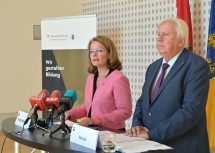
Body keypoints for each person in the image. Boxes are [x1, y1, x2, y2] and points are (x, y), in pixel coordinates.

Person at [125, 18, 210, 153]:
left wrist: (152, 134)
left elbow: (190, 111)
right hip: (151, 145)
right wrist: (137, 125)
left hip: (182, 147)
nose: (159, 39)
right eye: (158, 34)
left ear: (181, 41)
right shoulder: (152, 67)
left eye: (165, 34)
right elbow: (142, 102)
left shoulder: (197, 66)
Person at [64, 35, 132, 130]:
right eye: (91, 51)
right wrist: (71, 113)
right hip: (92, 131)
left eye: (99, 51)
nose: (94, 54)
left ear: (109, 54)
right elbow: (88, 107)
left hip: (112, 134)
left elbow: (125, 111)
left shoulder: (118, 78)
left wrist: (95, 120)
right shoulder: (91, 78)